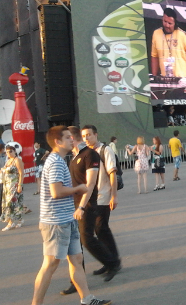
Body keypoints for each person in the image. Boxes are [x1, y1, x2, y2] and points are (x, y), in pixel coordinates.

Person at [31, 125, 111, 305]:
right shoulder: (55, 162)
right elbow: (56, 191)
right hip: (56, 222)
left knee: (76, 259)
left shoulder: (59, 160)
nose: (71, 139)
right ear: (57, 141)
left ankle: (87, 299)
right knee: (50, 264)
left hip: (67, 219)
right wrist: (79, 189)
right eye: (67, 137)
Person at [60, 126, 103, 296]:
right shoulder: (74, 157)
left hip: (86, 205)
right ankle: (77, 281)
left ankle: (112, 262)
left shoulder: (90, 154)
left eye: (66, 137)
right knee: (76, 245)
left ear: (71, 138)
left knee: (85, 240)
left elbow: (90, 184)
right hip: (73, 206)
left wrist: (81, 207)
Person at [82, 125, 122, 282]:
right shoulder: (86, 152)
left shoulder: (105, 150)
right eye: (84, 136)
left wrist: (114, 196)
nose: (86, 138)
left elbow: (112, 173)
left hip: (103, 195)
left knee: (101, 228)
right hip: (91, 197)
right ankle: (109, 261)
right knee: (100, 230)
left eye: (89, 135)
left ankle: (114, 262)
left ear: (96, 134)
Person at [150, 7, 186, 78]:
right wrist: (153, 77)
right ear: (162, 19)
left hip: (182, 79)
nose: (167, 25)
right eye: (165, 21)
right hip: (165, 79)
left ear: (175, 23)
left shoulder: (181, 34)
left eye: (170, 23)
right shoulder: (156, 33)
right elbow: (154, 56)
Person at [0, 143, 25, 231]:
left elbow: (21, 173)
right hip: (7, 185)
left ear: (15, 151)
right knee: (14, 203)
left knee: (10, 203)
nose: (9, 153)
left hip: (14, 184)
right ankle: (20, 220)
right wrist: (2, 171)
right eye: (7, 152)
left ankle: (10, 222)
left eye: (10, 151)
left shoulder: (17, 160)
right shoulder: (8, 161)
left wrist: (20, 185)